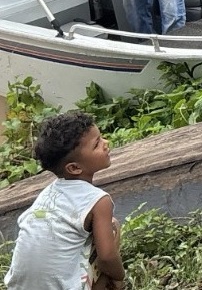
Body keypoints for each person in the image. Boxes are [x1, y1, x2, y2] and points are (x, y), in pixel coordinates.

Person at [4, 111, 124, 290]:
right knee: (112, 229)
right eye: (97, 144)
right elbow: (106, 257)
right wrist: (120, 276)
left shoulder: (48, 194)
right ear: (74, 167)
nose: (106, 144)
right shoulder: (98, 200)